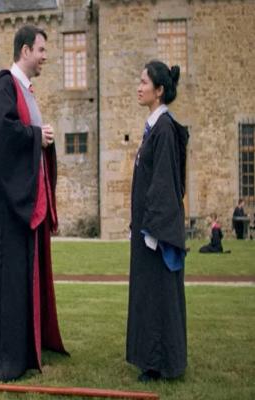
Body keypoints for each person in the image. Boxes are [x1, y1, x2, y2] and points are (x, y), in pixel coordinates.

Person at [0, 25, 67, 381]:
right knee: (8, 284)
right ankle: (7, 358)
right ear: (26, 50)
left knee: (23, 282)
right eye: (43, 50)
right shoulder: (5, 86)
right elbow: (1, 138)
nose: (46, 57)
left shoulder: (25, 91)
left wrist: (38, 138)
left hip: (20, 210)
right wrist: (37, 136)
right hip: (7, 212)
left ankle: (26, 346)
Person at [127, 60, 189, 382]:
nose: (138, 87)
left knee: (158, 297)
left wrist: (153, 230)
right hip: (145, 230)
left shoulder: (163, 129)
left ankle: (160, 363)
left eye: (143, 82)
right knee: (149, 296)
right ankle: (152, 360)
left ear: (159, 90)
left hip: (156, 232)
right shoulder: (154, 128)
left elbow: (164, 183)